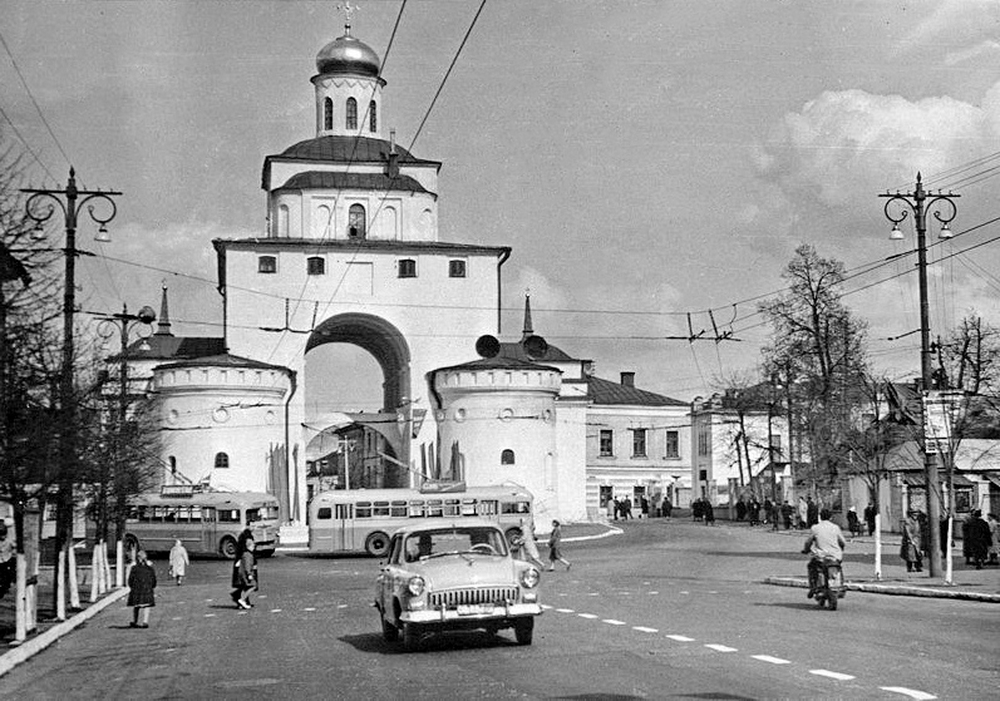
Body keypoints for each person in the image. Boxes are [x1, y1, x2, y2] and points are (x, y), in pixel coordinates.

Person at [801, 508, 846, 598]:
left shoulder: (815, 528)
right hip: (835, 556)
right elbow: (843, 542)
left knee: (811, 567)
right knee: (838, 568)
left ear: (820, 517)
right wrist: (840, 549)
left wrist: (806, 550)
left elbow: (808, 542)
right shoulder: (835, 528)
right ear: (831, 517)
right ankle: (840, 584)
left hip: (820, 556)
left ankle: (813, 587)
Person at [127, 550, 157, 628]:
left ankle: (135, 621)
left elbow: (130, 580)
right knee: (147, 605)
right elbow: (153, 579)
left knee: (136, 606)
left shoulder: (134, 568)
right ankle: (145, 621)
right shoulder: (150, 568)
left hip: (136, 589)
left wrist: (131, 587)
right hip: (147, 589)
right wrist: (152, 586)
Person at [230, 529, 258, 609]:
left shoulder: (242, 541)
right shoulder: (247, 552)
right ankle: (241, 599)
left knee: (244, 585)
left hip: (241, 567)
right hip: (246, 568)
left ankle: (242, 601)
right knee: (248, 585)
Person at [0, 523, 15, 598]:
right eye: (1, 535)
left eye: (3, 535)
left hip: (7, 560)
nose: (2, 537)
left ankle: (6, 587)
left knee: (7, 575)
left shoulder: (9, 541)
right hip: (0, 560)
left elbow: (14, 547)